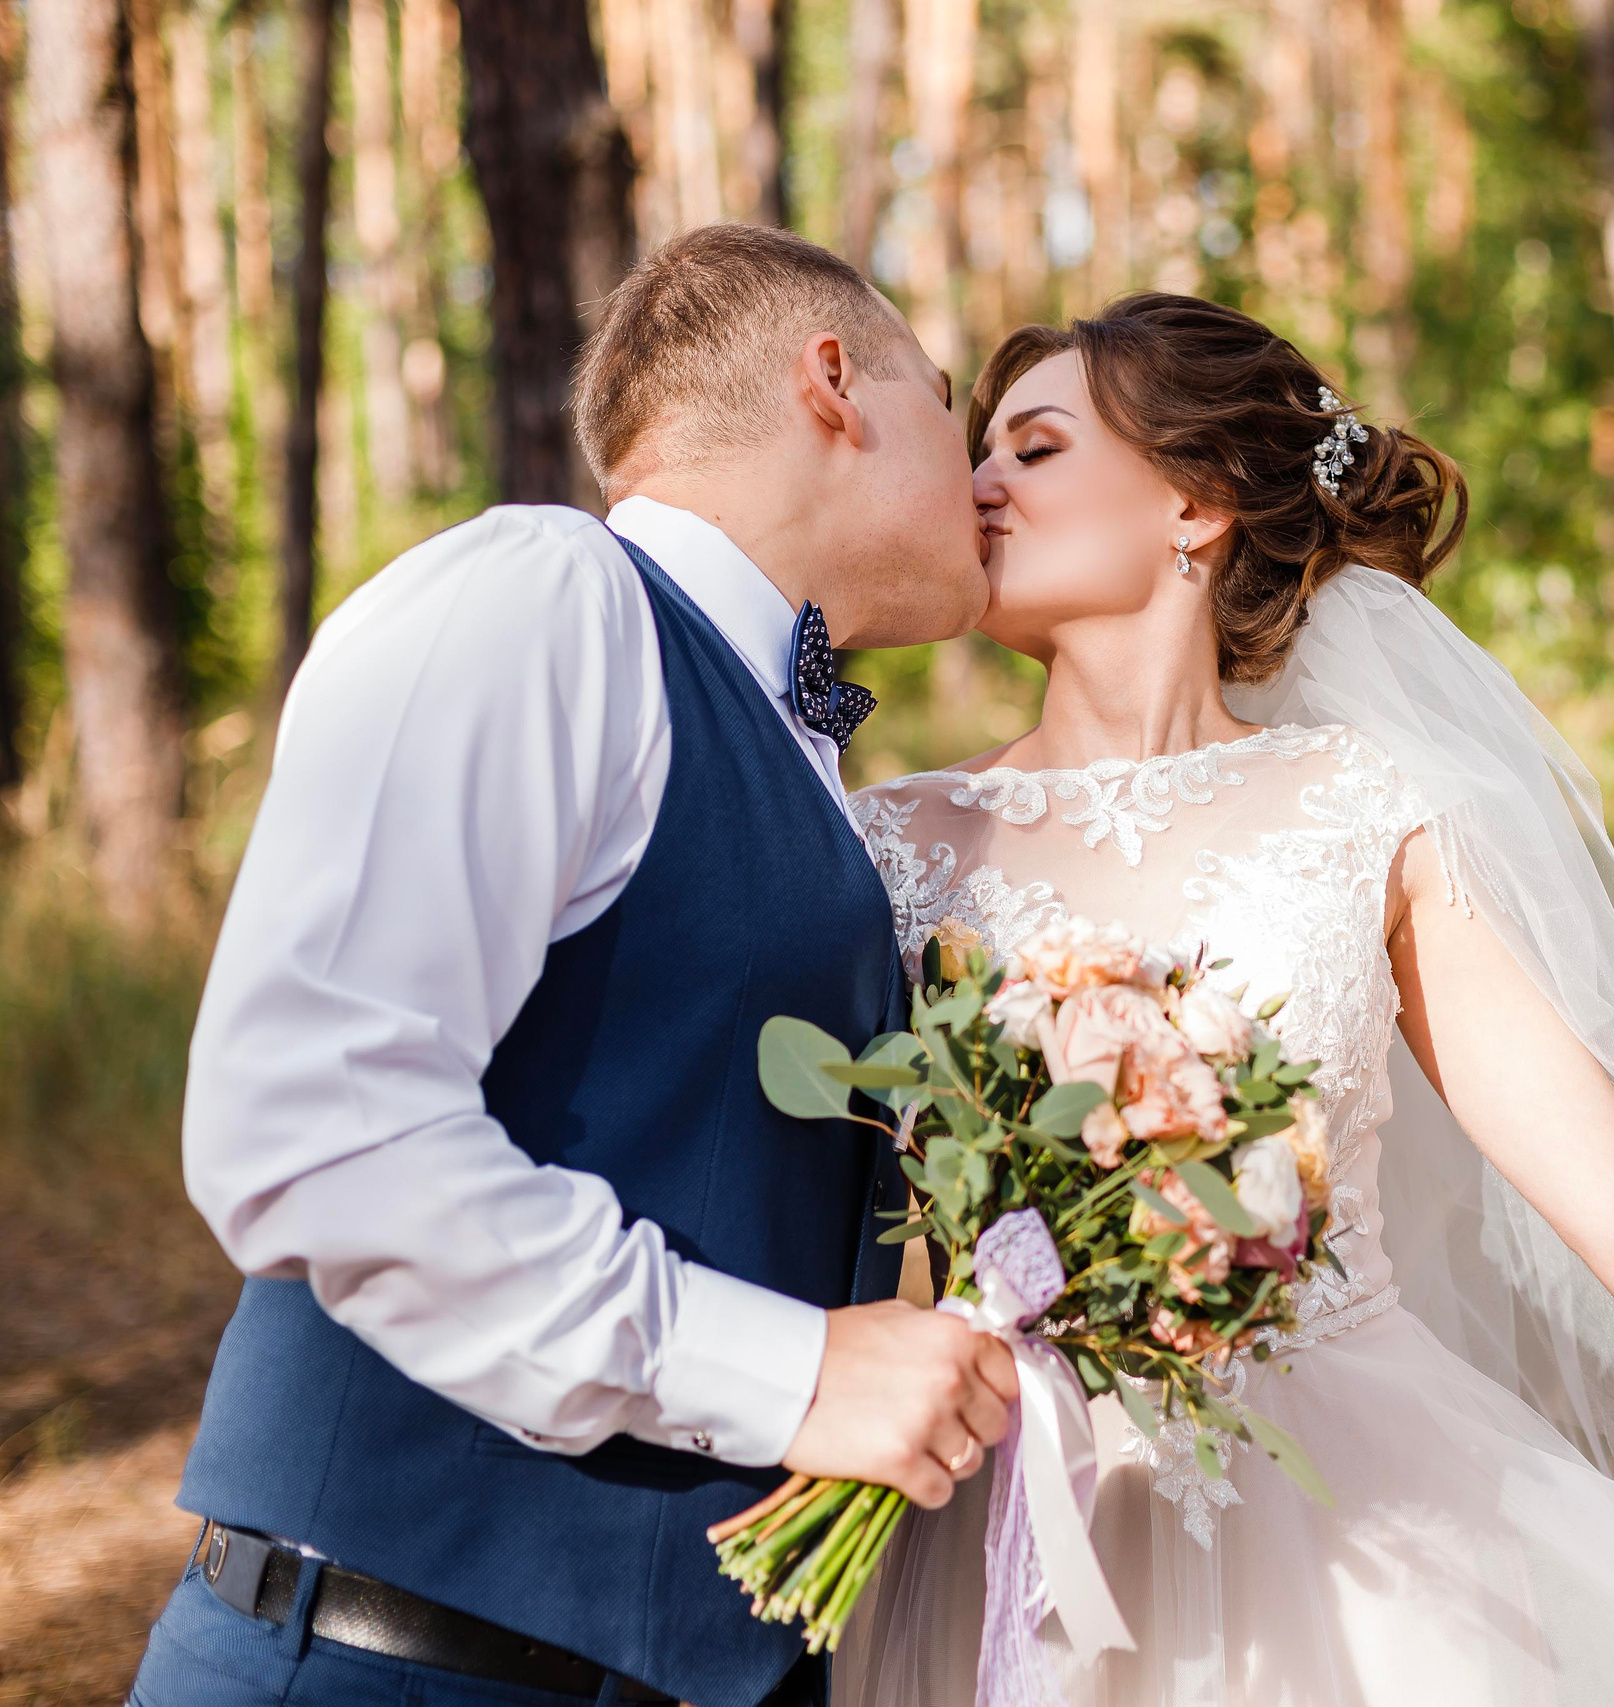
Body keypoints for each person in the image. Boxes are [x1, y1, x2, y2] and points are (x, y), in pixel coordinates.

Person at [832, 294, 1614, 1705]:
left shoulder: (1356, 811)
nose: (978, 485)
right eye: (984, 452)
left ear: (1193, 508)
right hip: (999, 1496)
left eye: (1035, 447)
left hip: (1356, 1517)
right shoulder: (895, 840)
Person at [128, 225, 1020, 1707]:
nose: (982, 475)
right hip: (388, 1663)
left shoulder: (808, 763)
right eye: (947, 403)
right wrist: (792, 1376)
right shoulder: (543, 599)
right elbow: (314, 1131)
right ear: (834, 385)